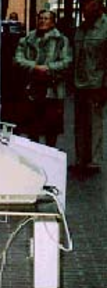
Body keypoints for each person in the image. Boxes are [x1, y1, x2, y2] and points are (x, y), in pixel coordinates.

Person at [14, 10, 72, 147]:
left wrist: (49, 68)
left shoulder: (61, 40)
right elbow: (18, 58)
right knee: (32, 127)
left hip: (53, 90)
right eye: (41, 18)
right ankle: (35, 157)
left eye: (47, 19)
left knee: (51, 129)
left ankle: (50, 157)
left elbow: (67, 61)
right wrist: (34, 67)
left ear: (53, 22)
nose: (43, 21)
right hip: (32, 89)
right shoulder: (28, 39)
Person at [73, 0, 107, 174]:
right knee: (80, 123)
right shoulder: (82, 28)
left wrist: (104, 87)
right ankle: (81, 159)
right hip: (79, 83)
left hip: (96, 84)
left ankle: (93, 161)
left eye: (89, 4)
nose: (85, 8)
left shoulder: (104, 27)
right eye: (83, 4)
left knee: (95, 123)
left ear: (98, 5)